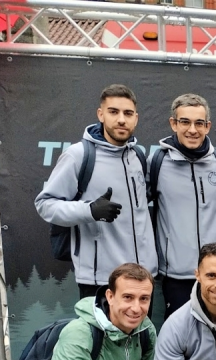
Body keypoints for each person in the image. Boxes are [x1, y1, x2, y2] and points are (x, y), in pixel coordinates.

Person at [35, 84, 157, 298]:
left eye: (128, 113)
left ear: (136, 118)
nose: (121, 119)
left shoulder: (137, 156)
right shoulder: (79, 155)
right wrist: (89, 210)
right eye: (113, 112)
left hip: (142, 279)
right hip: (101, 281)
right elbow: (45, 205)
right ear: (101, 114)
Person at [149, 93, 216, 318]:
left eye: (199, 123)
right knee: (179, 334)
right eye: (185, 122)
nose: (192, 130)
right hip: (176, 275)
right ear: (173, 124)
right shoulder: (156, 163)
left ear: (208, 126)